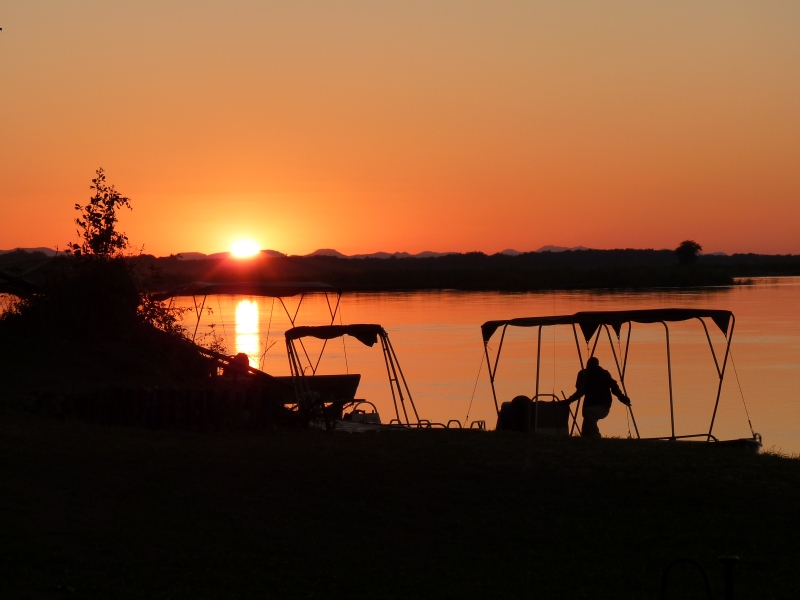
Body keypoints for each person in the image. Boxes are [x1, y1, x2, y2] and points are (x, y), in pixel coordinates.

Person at [566, 356, 631, 438]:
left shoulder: (603, 374)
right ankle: (586, 437)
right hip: (589, 406)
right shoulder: (583, 374)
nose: (591, 368)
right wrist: (569, 401)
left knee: (589, 414)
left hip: (603, 406)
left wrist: (622, 398)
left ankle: (595, 436)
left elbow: (614, 388)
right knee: (587, 419)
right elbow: (580, 392)